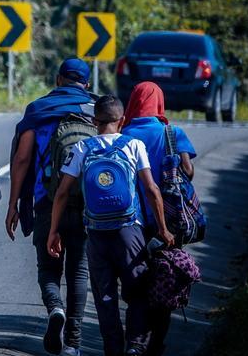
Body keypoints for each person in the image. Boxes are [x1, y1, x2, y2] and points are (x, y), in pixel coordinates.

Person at [47, 95, 175, 356]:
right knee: (137, 291)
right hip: (130, 231)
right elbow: (151, 189)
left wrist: (53, 231)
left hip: (96, 233)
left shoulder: (83, 148)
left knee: (105, 298)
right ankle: (136, 347)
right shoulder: (134, 145)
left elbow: (61, 192)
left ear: (95, 121)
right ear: (123, 121)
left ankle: (113, 350)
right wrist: (162, 228)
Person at [5, 58, 97, 356]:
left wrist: (14, 204)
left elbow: (21, 159)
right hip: (87, 202)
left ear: (58, 80)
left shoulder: (39, 110)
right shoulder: (96, 110)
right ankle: (73, 342)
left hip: (47, 198)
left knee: (48, 269)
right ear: (86, 83)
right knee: (79, 272)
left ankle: (55, 307)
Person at [121, 82, 196, 356]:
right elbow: (187, 170)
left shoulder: (123, 133)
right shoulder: (172, 133)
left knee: (137, 284)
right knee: (165, 281)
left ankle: (134, 344)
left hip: (132, 224)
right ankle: (156, 346)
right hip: (168, 223)